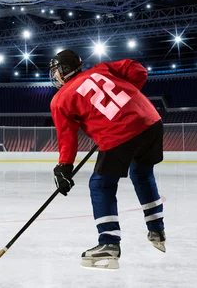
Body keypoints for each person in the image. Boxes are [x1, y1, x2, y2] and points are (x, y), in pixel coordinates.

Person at [49, 50, 165, 270]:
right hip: (151, 121)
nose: (54, 76)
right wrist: (124, 101)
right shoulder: (101, 69)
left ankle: (109, 244)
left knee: (101, 184)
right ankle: (157, 229)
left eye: (55, 71)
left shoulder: (61, 98)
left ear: (64, 70)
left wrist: (64, 167)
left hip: (120, 132)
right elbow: (138, 70)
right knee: (142, 173)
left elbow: (67, 137)